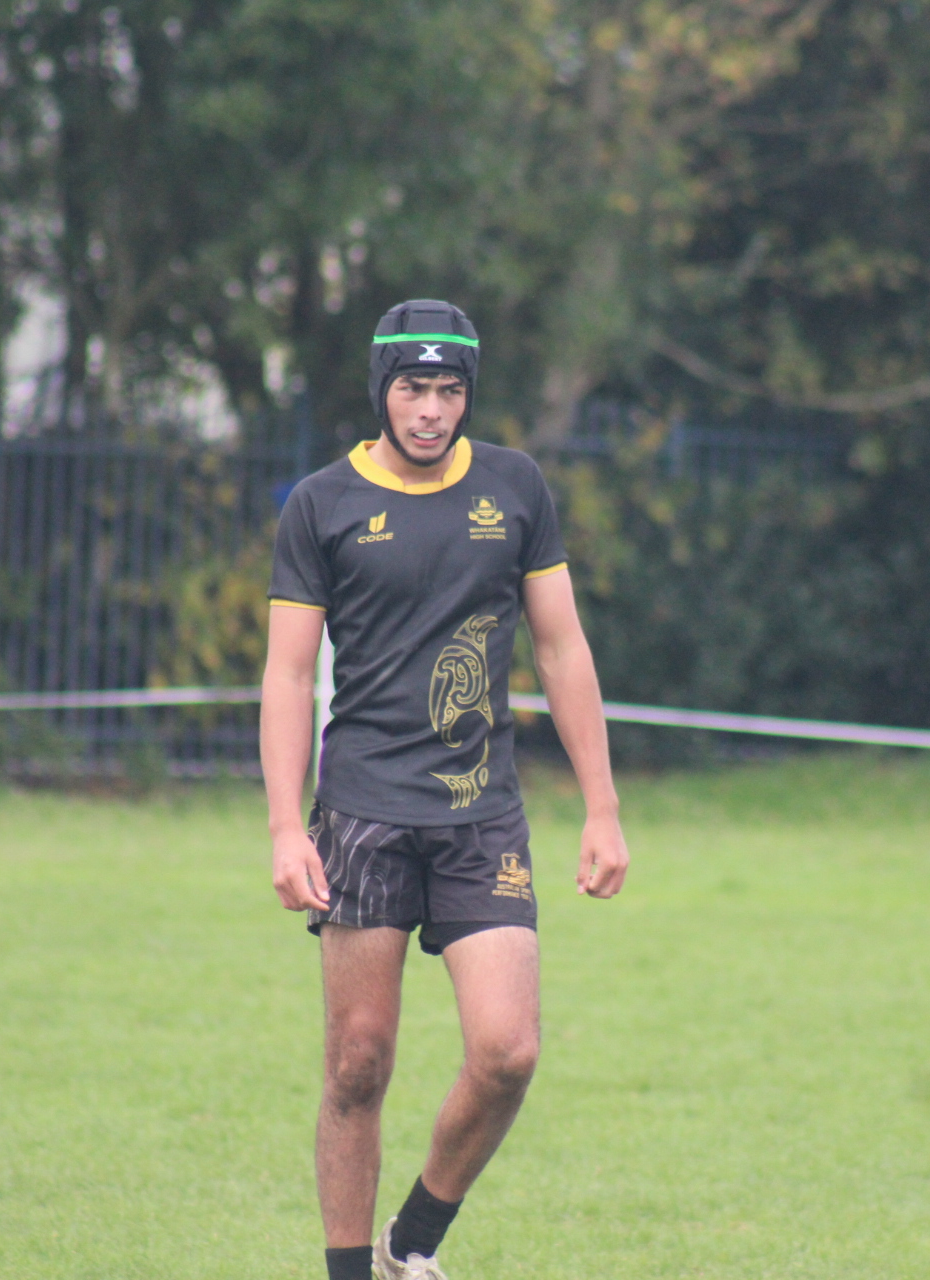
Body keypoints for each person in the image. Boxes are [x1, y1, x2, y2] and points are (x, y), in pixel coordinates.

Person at [260, 299, 631, 1280]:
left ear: (469, 394)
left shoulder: (514, 487)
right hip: (362, 814)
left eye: (449, 390)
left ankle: (411, 1240)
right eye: (413, 388)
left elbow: (561, 647)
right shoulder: (322, 504)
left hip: (481, 814)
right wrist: (286, 827)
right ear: (381, 390)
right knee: (358, 1062)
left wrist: (602, 807)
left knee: (508, 1052)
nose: (430, 409)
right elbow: (288, 675)